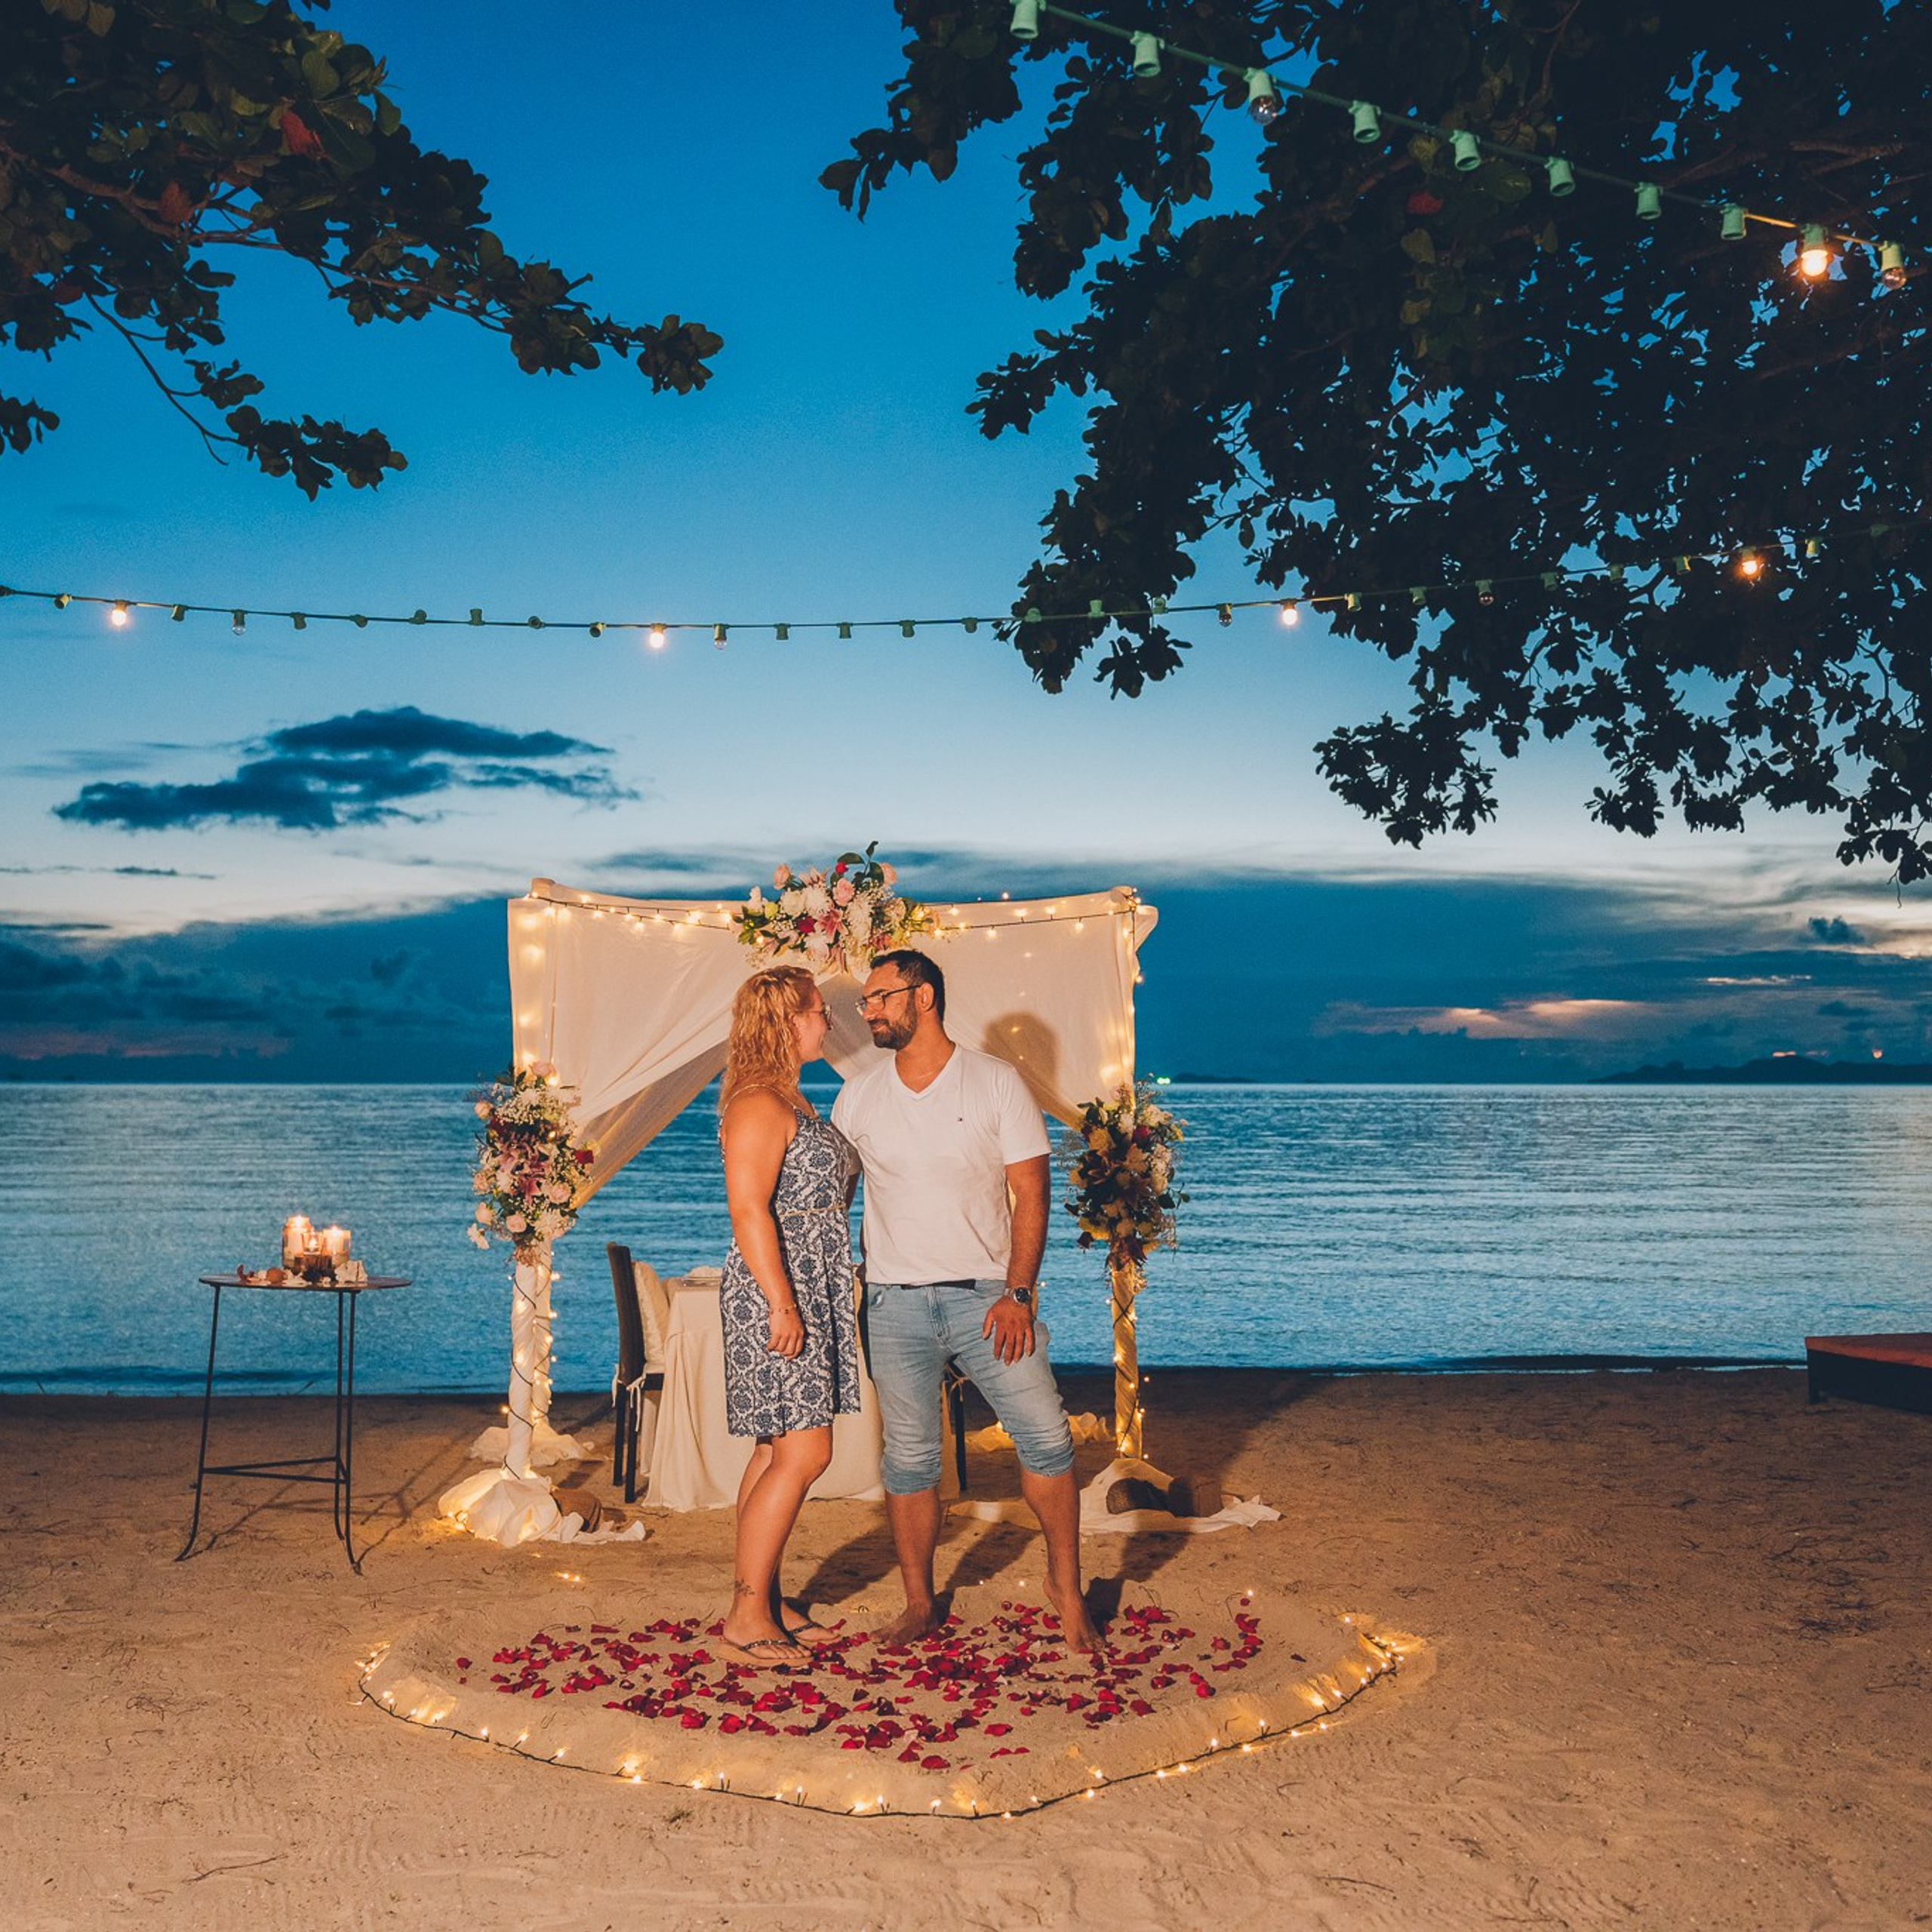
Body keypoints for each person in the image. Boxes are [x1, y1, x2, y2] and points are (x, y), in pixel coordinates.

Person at [832, 948, 1103, 1654]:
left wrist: (1018, 1292)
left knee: (1045, 1438)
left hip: (988, 1301)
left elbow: (1033, 1194)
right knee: (911, 1458)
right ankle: (920, 1602)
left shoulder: (994, 1083)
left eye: (880, 998)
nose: (869, 1013)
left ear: (923, 997)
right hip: (892, 1305)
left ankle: (1066, 1593)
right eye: (866, 1002)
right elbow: (832, 1198)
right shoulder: (858, 1095)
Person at [714, 965, 861, 1666]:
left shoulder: (788, 1098)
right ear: (785, 1021)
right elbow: (747, 1208)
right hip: (782, 1288)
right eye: (816, 1012)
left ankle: (761, 1596)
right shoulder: (758, 1104)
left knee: (775, 1450)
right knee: (807, 1452)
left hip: (808, 1282)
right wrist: (782, 1301)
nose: (827, 1023)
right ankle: (747, 1615)